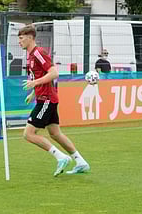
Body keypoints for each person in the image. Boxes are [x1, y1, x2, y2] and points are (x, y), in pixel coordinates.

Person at [19, 25, 90, 176]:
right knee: (55, 133)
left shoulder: (38, 52)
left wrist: (35, 84)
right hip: (45, 97)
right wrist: (33, 93)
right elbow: (41, 77)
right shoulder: (31, 55)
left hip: (46, 99)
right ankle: (80, 161)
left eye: (21, 38)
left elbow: (54, 73)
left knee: (28, 133)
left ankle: (61, 157)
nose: (19, 41)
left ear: (30, 37)